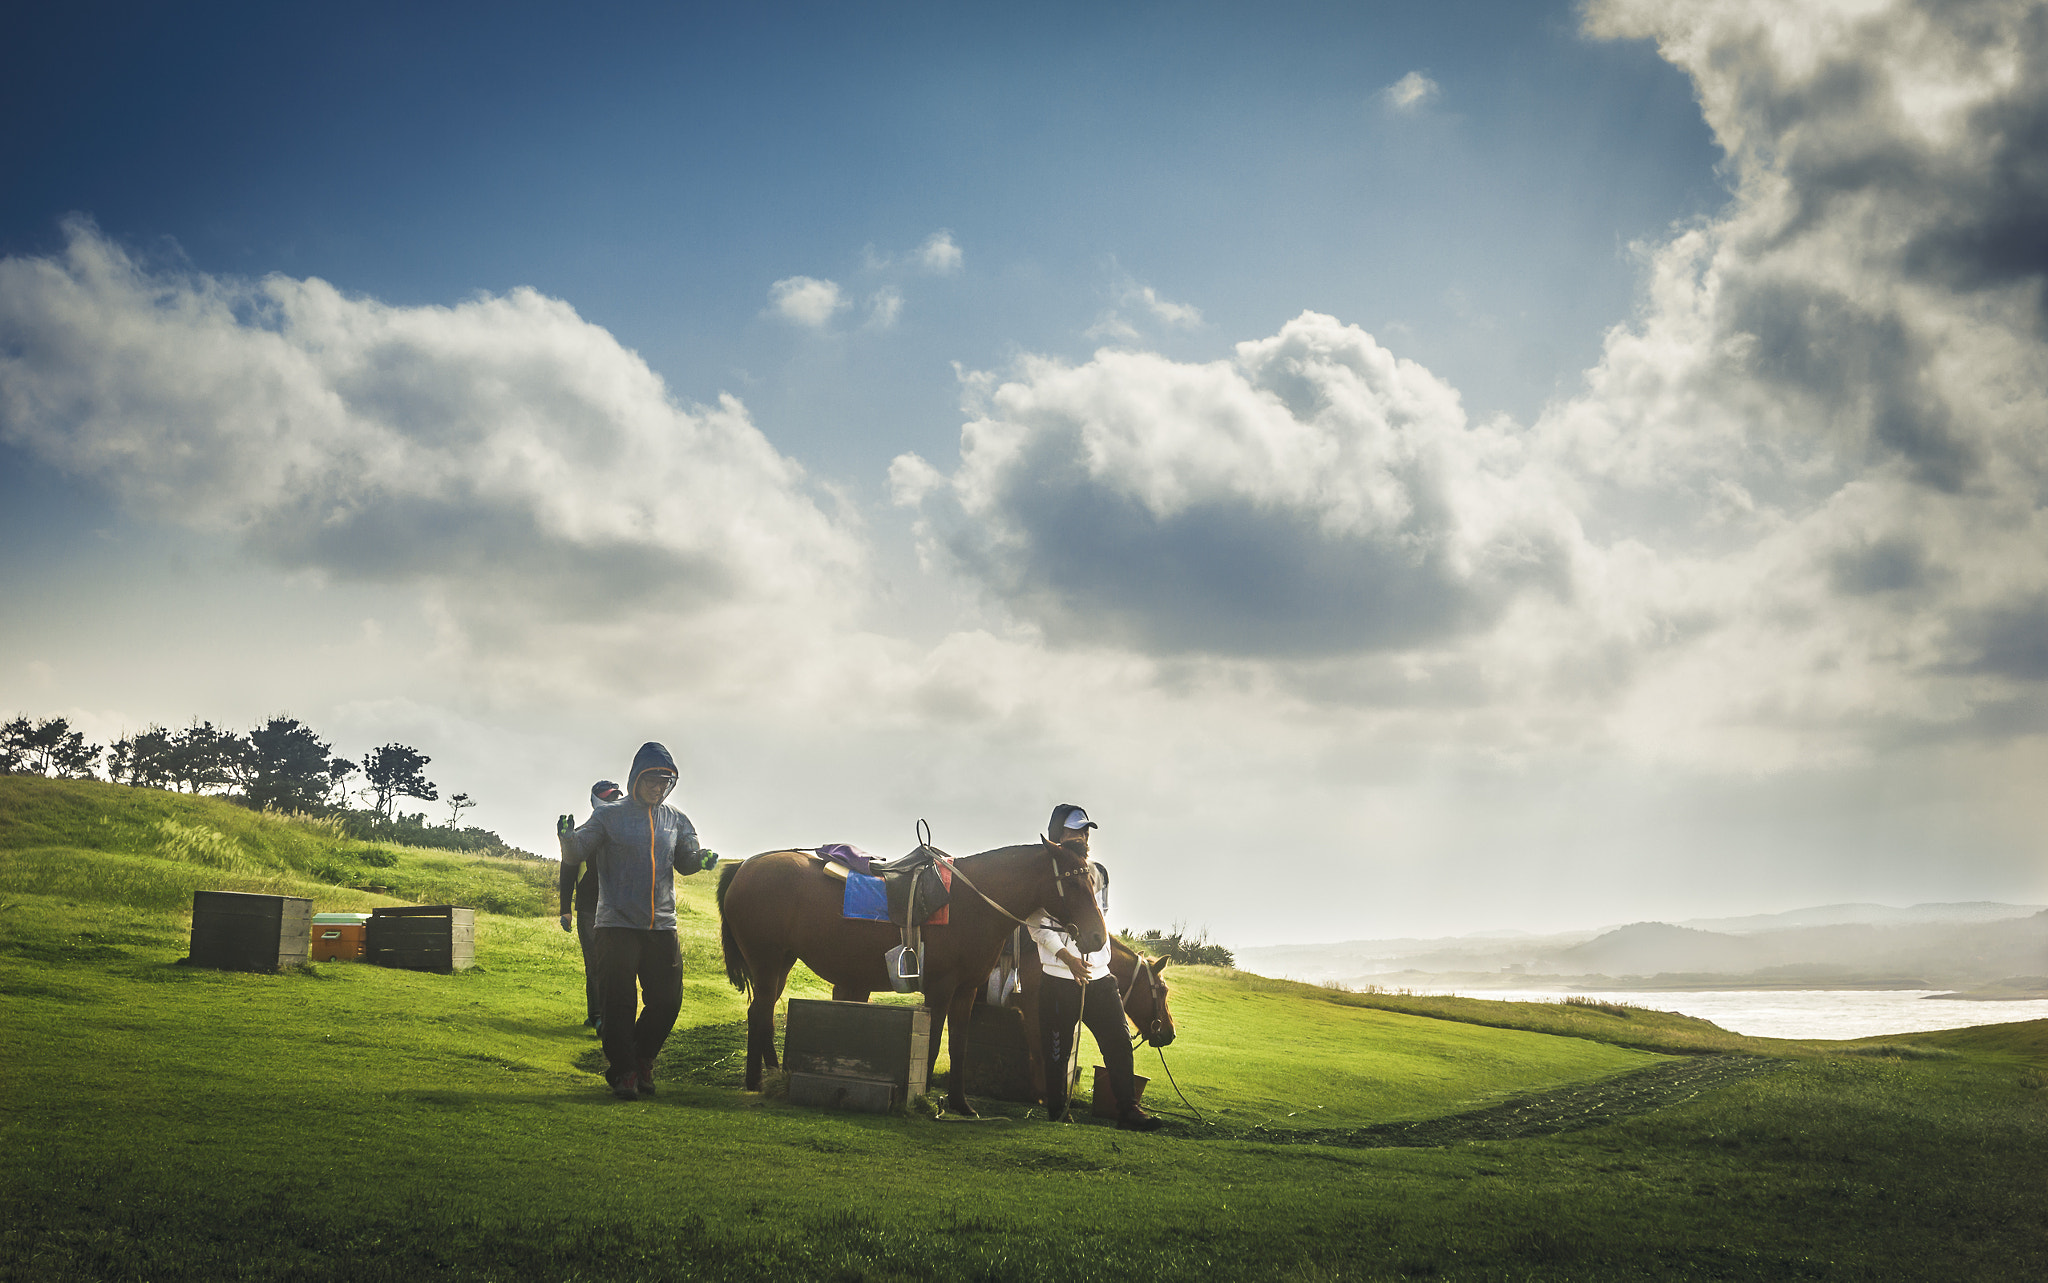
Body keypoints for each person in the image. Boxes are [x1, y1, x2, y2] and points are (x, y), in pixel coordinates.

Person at [558, 742, 719, 1100]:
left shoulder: (675, 819)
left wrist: (701, 859)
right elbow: (575, 852)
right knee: (619, 1001)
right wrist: (566, 836)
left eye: (665, 782)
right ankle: (625, 1072)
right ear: (636, 778)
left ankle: (641, 1058)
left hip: (661, 925)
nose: (659, 788)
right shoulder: (608, 816)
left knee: (667, 1000)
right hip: (615, 924)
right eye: (653, 780)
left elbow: (686, 860)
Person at [1026, 803, 1161, 1131]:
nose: (1084, 835)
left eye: (1086, 830)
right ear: (1060, 835)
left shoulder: (1098, 873)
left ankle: (1128, 1110)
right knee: (1057, 1049)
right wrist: (1068, 958)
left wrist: (1095, 959)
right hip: (1059, 978)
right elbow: (1035, 925)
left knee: (1118, 1040)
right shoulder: (1042, 877)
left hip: (1100, 978)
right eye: (1076, 830)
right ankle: (1057, 1112)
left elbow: (1099, 921)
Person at [559, 779, 624, 1032]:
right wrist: (565, 909)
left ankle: (609, 1016)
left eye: (616, 797)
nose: (614, 801)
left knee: (618, 964)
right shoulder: (583, 834)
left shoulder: (625, 835)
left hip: (619, 909)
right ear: (597, 800)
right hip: (588, 909)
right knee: (595, 964)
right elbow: (567, 871)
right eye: (609, 797)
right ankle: (598, 1016)